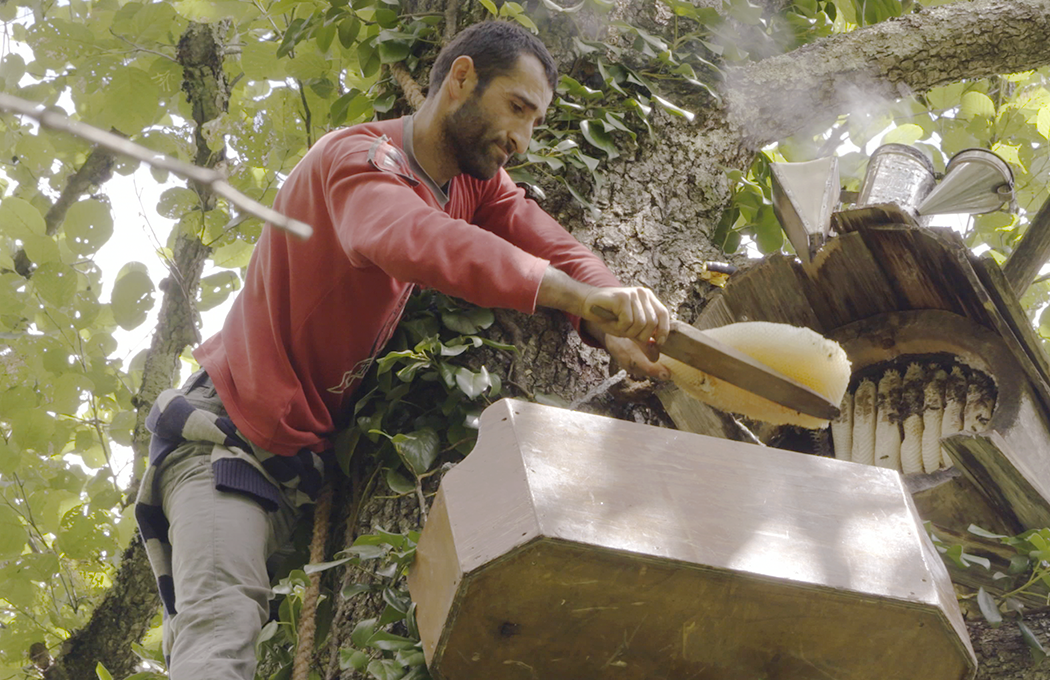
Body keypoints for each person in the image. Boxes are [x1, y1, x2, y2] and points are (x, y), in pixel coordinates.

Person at [134, 20, 674, 680]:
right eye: (517, 110)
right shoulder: (359, 163)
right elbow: (421, 240)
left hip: (299, 475)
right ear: (462, 79)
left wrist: (611, 317)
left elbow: (551, 243)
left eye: (536, 123)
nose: (523, 140)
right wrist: (572, 299)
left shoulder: (474, 182)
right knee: (221, 627)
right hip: (228, 443)